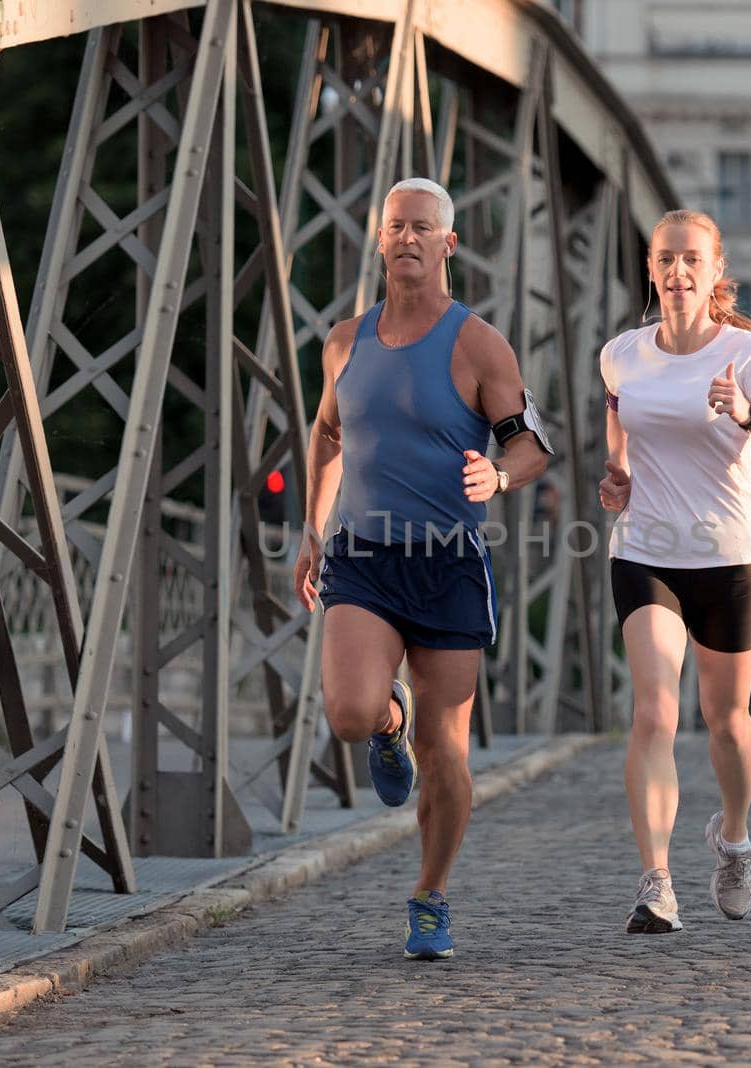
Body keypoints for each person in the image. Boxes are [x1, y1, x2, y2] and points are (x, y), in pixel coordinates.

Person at [293, 178, 552, 960]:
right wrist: (311, 527)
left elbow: (532, 444)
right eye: (395, 226)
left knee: (447, 752)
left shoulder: (479, 344)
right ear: (380, 240)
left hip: (447, 565)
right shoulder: (345, 341)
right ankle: (385, 721)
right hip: (363, 560)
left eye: (422, 228)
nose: (407, 238)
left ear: (449, 244)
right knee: (347, 712)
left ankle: (431, 894)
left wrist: (500, 477)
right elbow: (329, 435)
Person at [597, 209, 751, 933]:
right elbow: (618, 443)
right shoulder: (621, 355)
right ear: (651, 270)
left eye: (692, 260)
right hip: (646, 553)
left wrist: (748, 415)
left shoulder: (748, 357)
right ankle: (655, 882)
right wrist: (615, 482)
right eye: (665, 259)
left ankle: (734, 839)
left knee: (727, 724)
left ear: (716, 271)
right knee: (656, 710)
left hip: (728, 559)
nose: (678, 273)